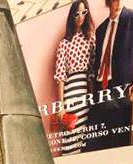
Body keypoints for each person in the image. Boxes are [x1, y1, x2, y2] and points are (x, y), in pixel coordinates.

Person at [88, 0, 133, 151]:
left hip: (120, 92)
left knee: (118, 147)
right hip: (98, 94)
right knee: (92, 148)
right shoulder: (101, 29)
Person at [54, 0, 96, 155]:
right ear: (71, 16)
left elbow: (93, 67)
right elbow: (60, 76)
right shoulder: (64, 43)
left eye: (84, 13)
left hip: (86, 89)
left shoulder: (91, 37)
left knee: (84, 134)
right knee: (71, 132)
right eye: (76, 13)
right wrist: (61, 105)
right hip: (71, 90)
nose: (80, 17)